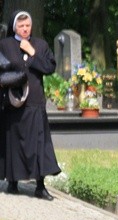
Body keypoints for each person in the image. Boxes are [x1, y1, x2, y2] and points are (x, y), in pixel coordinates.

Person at [0, 10, 59, 200]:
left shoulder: (39, 45)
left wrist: (31, 52)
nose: (25, 29)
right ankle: (13, 182)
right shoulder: (5, 45)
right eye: (21, 26)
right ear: (14, 27)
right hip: (13, 101)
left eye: (27, 26)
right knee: (14, 141)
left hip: (34, 102)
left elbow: (49, 68)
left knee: (38, 143)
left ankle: (40, 185)